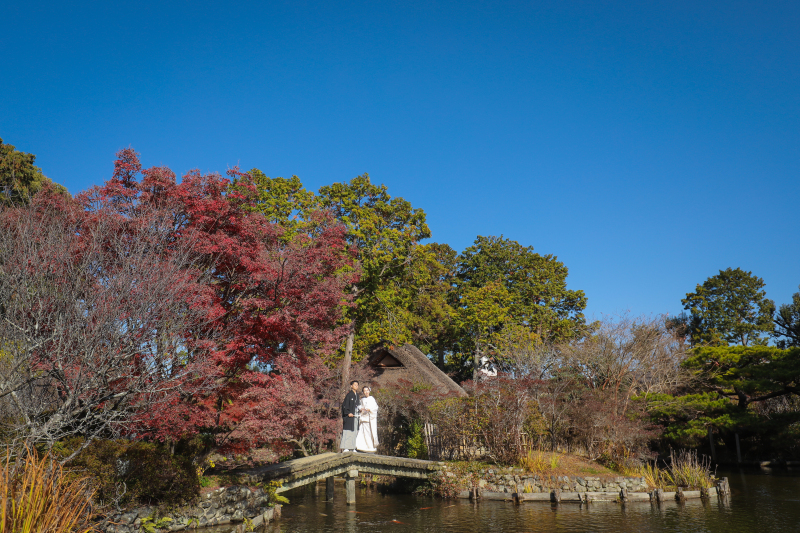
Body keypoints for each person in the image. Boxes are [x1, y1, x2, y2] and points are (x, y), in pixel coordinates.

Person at [355, 386, 379, 453]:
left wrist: (370, 409)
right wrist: (361, 409)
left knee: (369, 433)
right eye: (364, 391)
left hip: (370, 419)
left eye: (367, 390)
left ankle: (370, 446)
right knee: (362, 432)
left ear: (369, 391)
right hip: (363, 418)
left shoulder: (372, 399)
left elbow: (375, 408)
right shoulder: (362, 399)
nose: (366, 392)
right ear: (363, 392)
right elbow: (359, 406)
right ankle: (362, 446)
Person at [340, 380, 360, 452]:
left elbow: (358, 405)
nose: (356, 386)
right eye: (355, 385)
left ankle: (353, 447)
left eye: (357, 385)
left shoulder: (357, 395)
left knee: (355, 431)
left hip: (355, 416)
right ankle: (346, 447)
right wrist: (348, 413)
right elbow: (344, 406)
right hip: (349, 417)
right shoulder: (349, 395)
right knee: (348, 431)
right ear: (351, 386)